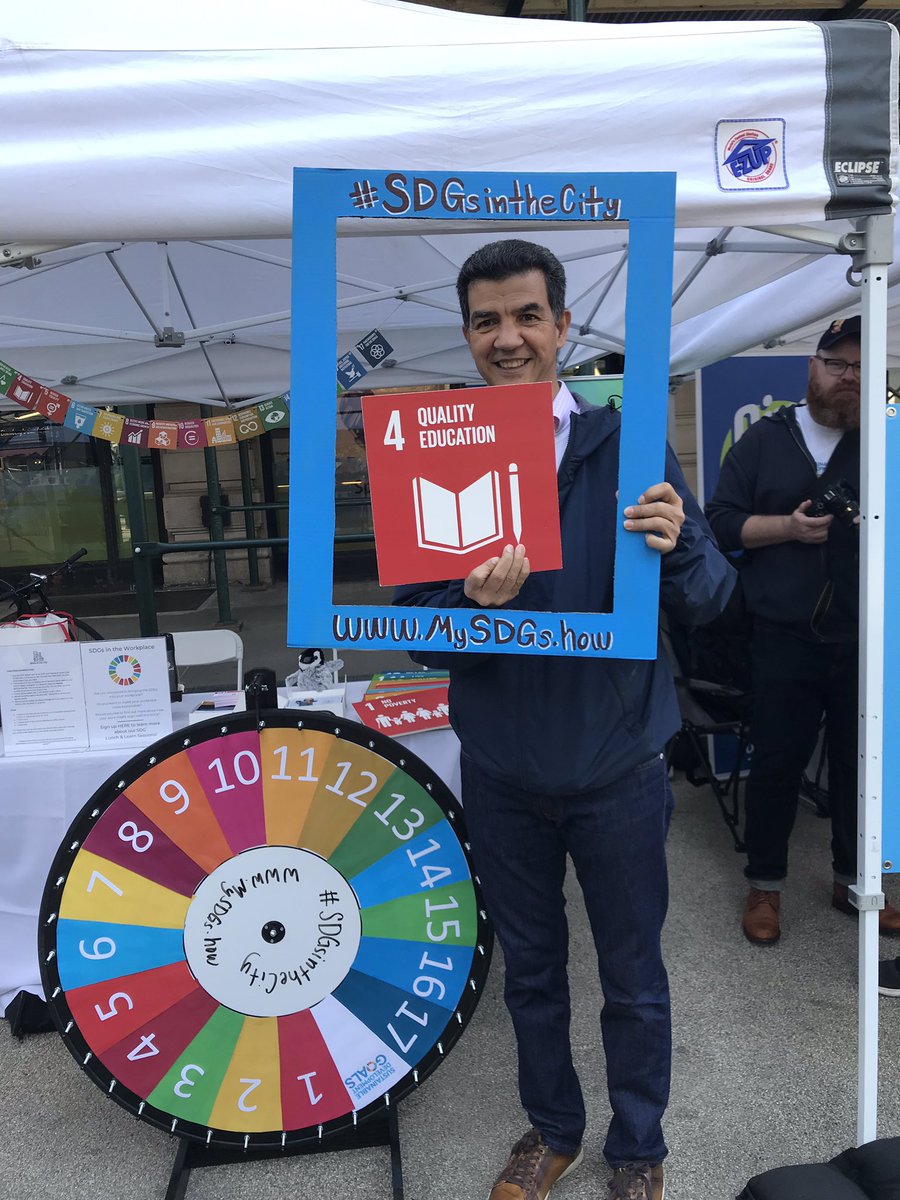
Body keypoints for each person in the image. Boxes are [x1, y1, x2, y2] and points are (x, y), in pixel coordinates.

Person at [394, 239, 736, 1200]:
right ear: (467, 335)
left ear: (563, 327)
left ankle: (638, 1148)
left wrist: (677, 551)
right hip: (502, 766)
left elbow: (713, 601)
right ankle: (552, 1132)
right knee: (532, 976)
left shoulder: (627, 443)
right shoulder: (434, 448)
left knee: (633, 975)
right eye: (486, 321)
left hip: (620, 763)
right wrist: (472, 608)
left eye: (526, 316)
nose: (507, 338)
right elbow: (418, 630)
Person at [706, 315, 900, 945]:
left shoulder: (884, 439)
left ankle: (855, 880)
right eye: (837, 363)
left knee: (860, 763)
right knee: (779, 762)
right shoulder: (764, 440)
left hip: (865, 635)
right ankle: (766, 885)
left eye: (862, 367)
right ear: (811, 367)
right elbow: (720, 523)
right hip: (782, 635)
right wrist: (786, 528)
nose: (850, 377)